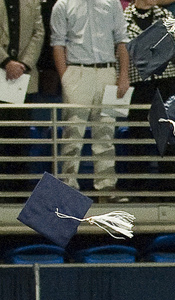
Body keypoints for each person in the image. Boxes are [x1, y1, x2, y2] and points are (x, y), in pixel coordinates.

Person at [50, 0, 130, 202]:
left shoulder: (112, 3)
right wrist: (66, 78)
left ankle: (106, 188)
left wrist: (123, 75)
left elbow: (121, 40)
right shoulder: (63, 4)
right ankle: (68, 189)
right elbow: (58, 43)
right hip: (77, 71)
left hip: (107, 72)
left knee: (106, 134)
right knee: (73, 134)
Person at [122, 0, 175, 194]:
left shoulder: (166, 16)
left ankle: (171, 187)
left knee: (167, 133)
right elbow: (119, 52)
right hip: (139, 84)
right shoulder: (123, 18)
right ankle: (138, 188)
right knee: (138, 134)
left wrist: (162, 52)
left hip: (166, 81)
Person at [0, 0, 44, 193]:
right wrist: (6, 61)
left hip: (24, 79)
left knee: (21, 136)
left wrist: (23, 64)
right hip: (1, 72)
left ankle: (19, 190)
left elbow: (39, 32)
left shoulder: (32, 2)